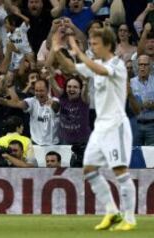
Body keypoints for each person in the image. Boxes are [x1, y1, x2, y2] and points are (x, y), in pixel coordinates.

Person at [53, 27, 136, 231]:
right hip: (100, 128)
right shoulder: (96, 63)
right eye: (90, 44)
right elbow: (71, 68)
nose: (92, 47)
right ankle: (111, 211)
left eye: (95, 44)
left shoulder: (117, 64)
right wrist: (56, 49)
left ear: (108, 44)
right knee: (89, 169)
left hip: (116, 125)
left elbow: (100, 71)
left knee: (120, 171)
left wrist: (79, 51)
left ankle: (130, 219)